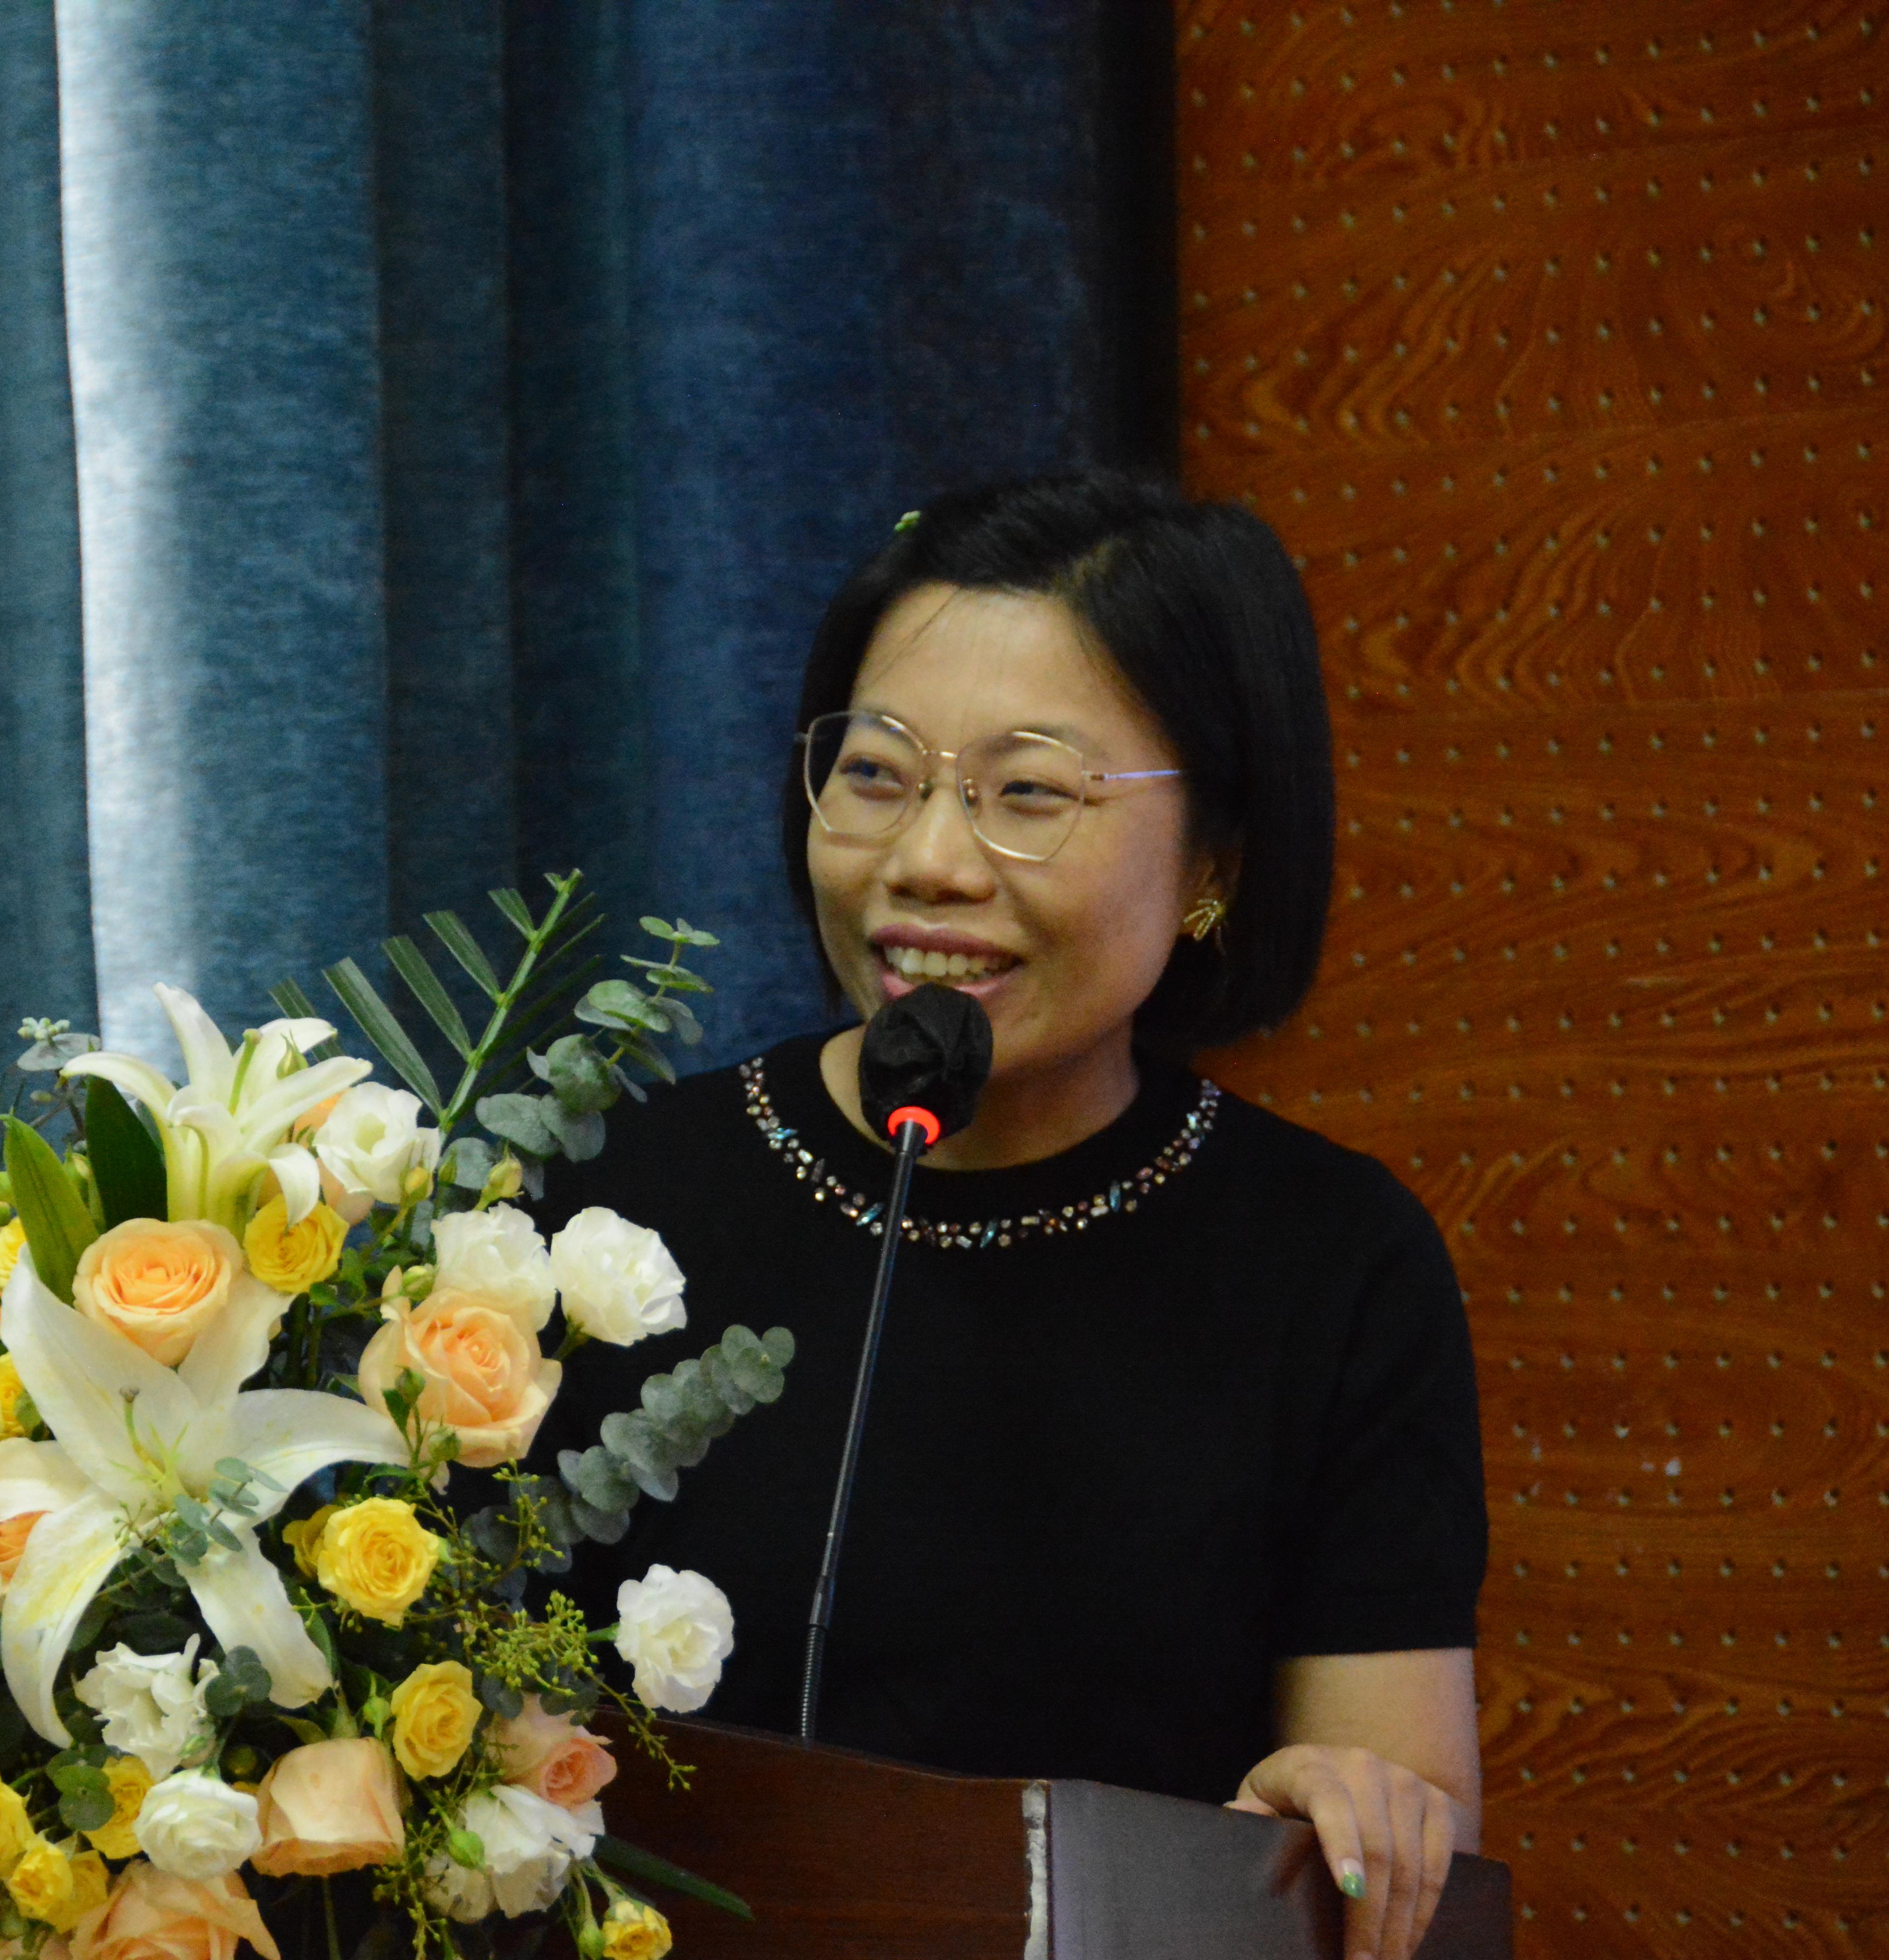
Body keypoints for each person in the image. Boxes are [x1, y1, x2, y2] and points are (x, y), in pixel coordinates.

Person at [543, 472, 1486, 1960]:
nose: (928, 861)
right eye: (876, 773)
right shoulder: (604, 1207)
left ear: (1216, 862)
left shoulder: (1331, 1262)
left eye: (1029, 793)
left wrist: (1335, 1827)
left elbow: (1401, 1831)